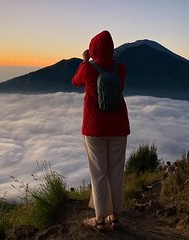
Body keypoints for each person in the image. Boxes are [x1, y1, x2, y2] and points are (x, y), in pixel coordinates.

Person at [72, 30, 130, 231]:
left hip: (94, 127)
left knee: (99, 173)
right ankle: (114, 217)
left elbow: (75, 81)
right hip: (119, 126)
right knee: (115, 171)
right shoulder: (120, 68)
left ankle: (99, 220)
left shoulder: (88, 68)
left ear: (93, 48)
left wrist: (85, 60)